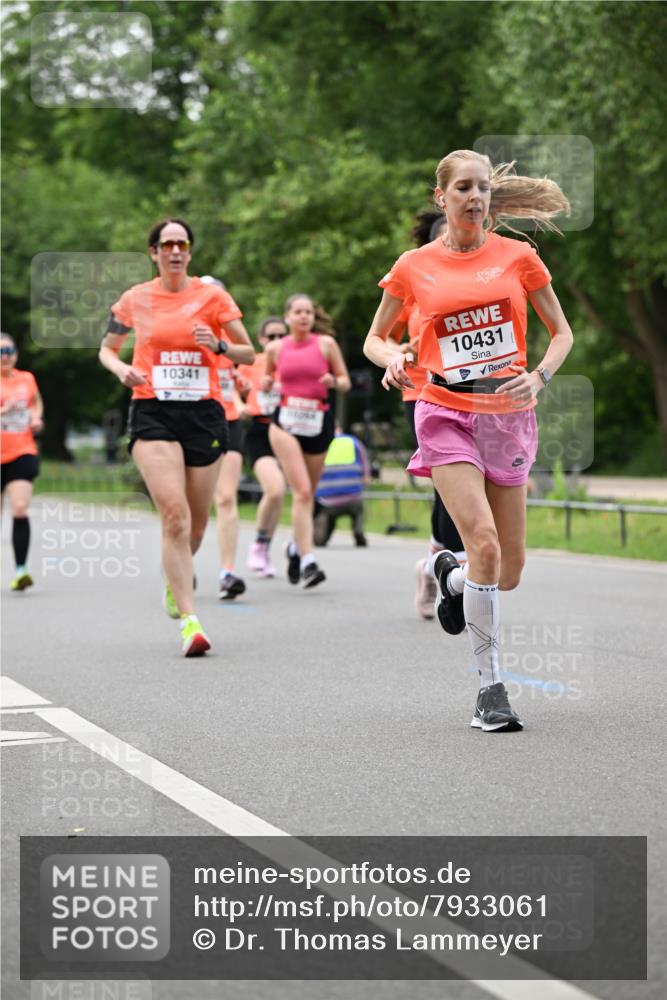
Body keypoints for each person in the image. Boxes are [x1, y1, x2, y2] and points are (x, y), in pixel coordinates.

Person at [364, 150, 573, 732]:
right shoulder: (413, 266)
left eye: (482, 187)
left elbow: (561, 333)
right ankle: (491, 690)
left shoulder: (518, 257)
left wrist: (540, 376)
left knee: (507, 571)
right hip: (444, 412)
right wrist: (393, 356)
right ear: (442, 197)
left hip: (506, 417)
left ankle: (447, 574)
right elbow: (374, 338)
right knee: (483, 543)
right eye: (463, 187)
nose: (475, 197)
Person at [99, 218, 255, 656]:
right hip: (153, 410)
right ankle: (190, 621)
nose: (174, 251)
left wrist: (220, 346)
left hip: (204, 415)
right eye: (166, 244)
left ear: (189, 251)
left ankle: (175, 578)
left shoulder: (213, 297)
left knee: (197, 523)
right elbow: (106, 349)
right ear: (153, 252)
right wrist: (122, 369)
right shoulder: (136, 298)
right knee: (174, 516)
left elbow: (249, 351)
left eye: (182, 244)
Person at [391, 210, 467, 621]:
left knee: (462, 481)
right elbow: (384, 336)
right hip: (420, 390)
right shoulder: (414, 282)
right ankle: (447, 564)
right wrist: (398, 352)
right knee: (445, 478)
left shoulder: (477, 280)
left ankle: (433, 565)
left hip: (471, 394)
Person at [263, 294, 351, 588]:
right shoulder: (276, 348)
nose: (303, 316)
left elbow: (345, 381)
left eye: (308, 312)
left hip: (318, 421)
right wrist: (265, 384)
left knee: (307, 495)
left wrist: (332, 382)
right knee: (301, 492)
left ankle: (294, 547)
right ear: (287, 317)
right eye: (298, 312)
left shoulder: (326, 345)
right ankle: (309, 560)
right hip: (286, 422)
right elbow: (266, 380)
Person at [236, 317, 288, 578]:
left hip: (291, 431)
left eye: (282, 336)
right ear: (261, 339)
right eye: (272, 337)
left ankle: (265, 547)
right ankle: (258, 545)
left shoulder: (294, 359)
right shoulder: (251, 362)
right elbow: (227, 384)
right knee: (275, 489)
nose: (277, 342)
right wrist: (238, 404)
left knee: (280, 496)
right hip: (260, 430)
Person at [1, 333, 44, 591]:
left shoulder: (26, 378)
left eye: (9, 351)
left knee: (19, 508)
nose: (4, 356)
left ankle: (20, 570)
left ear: (15, 353)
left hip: (22, 450)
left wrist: (37, 418)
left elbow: (36, 404)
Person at [313, 427, 370, 547]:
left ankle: (323, 532)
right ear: (339, 429)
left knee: (325, 513)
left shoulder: (319, 443)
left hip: (326, 501)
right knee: (359, 509)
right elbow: (366, 475)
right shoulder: (353, 442)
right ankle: (358, 528)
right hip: (353, 498)